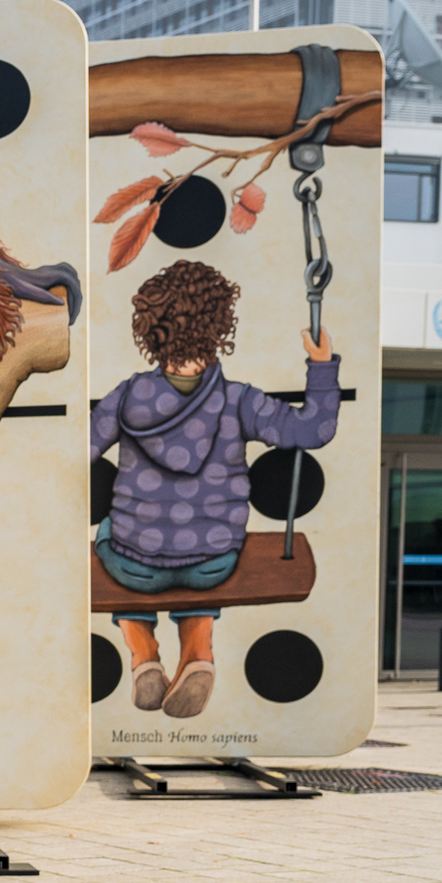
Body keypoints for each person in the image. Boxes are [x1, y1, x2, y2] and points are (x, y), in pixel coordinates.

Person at [94, 260, 338, 719]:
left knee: (115, 532)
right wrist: (321, 366)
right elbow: (313, 430)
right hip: (214, 563)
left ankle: (143, 653)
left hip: (133, 566)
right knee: (204, 546)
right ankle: (198, 652)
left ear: (150, 328)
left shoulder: (125, 398)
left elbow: (77, 452)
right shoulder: (240, 400)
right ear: (218, 326)